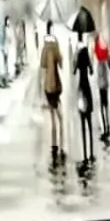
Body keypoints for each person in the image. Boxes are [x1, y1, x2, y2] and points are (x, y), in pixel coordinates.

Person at [41, 22, 64, 162]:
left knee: (53, 116)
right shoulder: (55, 46)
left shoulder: (45, 47)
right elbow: (61, 64)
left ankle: (54, 144)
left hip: (48, 87)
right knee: (60, 117)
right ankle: (61, 143)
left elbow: (43, 66)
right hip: (56, 86)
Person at [74, 35, 95, 168]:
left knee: (82, 124)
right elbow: (91, 72)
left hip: (81, 90)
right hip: (87, 89)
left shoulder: (79, 56)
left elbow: (73, 70)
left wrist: (76, 57)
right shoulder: (87, 55)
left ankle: (85, 154)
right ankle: (91, 152)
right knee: (89, 123)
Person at [95, 36, 110, 142]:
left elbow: (101, 78)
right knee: (105, 107)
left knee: (102, 108)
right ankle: (107, 127)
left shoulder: (101, 65)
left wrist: (100, 85)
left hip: (102, 87)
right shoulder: (104, 63)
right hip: (105, 87)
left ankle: (105, 129)